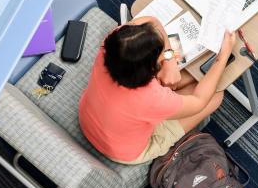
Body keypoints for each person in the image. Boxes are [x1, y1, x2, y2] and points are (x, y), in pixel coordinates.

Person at [79, 16, 235, 164]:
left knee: (189, 77)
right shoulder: (150, 97)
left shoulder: (111, 46)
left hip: (88, 119)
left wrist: (169, 60)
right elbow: (199, 101)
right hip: (122, 152)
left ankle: (173, 95)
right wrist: (223, 55)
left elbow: (151, 21)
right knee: (216, 94)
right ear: (149, 69)